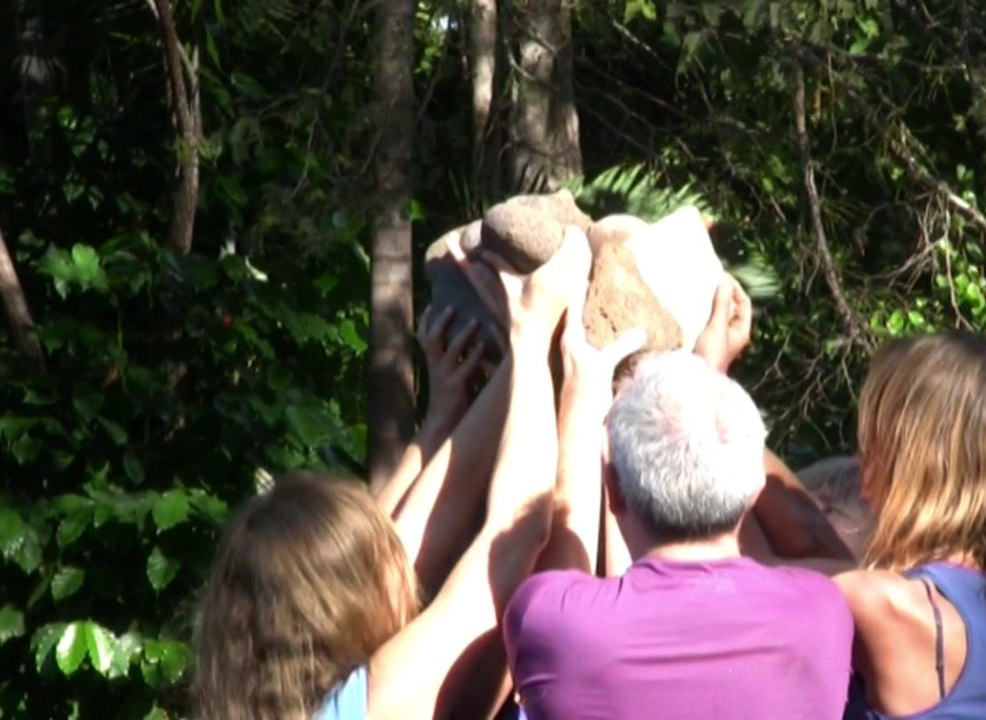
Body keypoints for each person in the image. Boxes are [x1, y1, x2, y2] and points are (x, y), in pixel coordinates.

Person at [190, 227, 592, 720]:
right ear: (339, 604)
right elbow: (518, 530)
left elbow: (399, 530)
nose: (400, 557)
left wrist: (474, 393)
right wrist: (535, 334)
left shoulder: (308, 699)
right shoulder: (375, 703)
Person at [502, 347, 855, 719]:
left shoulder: (553, 619)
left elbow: (595, 597)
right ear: (755, 491)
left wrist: (581, 397)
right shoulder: (822, 608)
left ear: (613, 488)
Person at [752, 330, 986, 719]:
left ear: (908, 467)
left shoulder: (887, 606)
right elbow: (811, 535)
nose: (861, 462)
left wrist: (698, 404)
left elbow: (744, 572)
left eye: (873, 442)